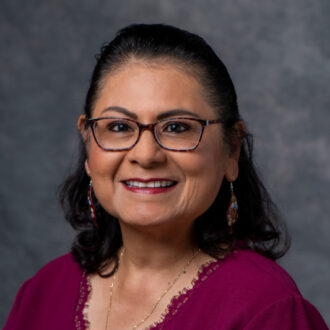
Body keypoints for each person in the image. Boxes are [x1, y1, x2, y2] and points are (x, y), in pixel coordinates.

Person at [4, 24, 328, 330]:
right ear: (88, 143)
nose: (145, 156)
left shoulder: (267, 308)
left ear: (231, 150)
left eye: (176, 128)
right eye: (119, 127)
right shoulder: (42, 293)